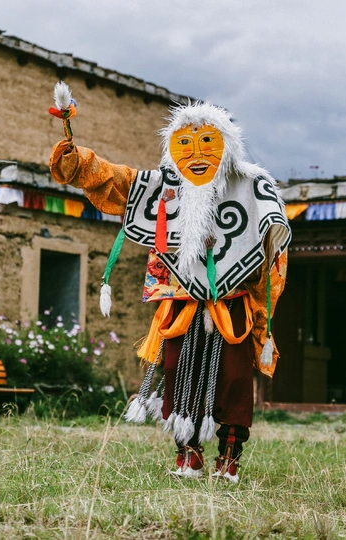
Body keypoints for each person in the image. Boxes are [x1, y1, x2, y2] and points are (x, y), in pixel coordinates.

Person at [49, 101, 291, 482]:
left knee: (234, 378)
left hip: (233, 303)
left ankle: (229, 456)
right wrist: (78, 162)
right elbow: (117, 180)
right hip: (181, 301)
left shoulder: (251, 184)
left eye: (207, 142)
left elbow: (271, 232)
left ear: (226, 144)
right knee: (177, 372)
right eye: (185, 145)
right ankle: (187, 453)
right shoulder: (164, 186)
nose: (196, 155)